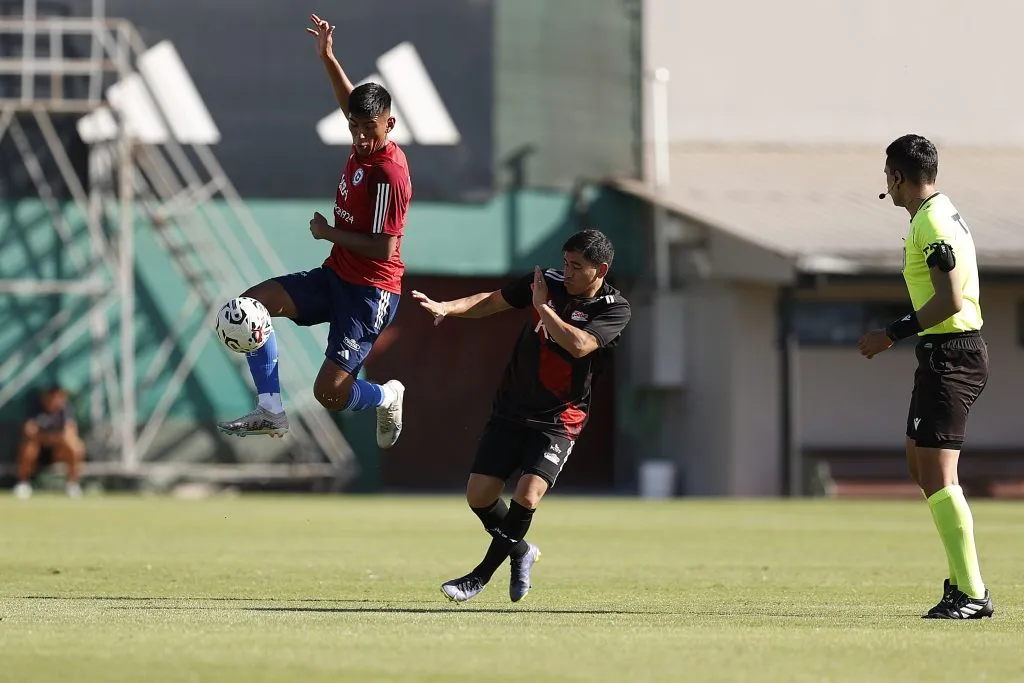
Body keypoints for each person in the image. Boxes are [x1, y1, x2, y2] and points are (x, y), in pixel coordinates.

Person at [218, 14, 409, 449]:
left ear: (390, 125)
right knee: (252, 306)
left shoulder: (389, 174)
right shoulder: (363, 133)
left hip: (370, 291)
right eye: (354, 127)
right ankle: (271, 410)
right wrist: (328, 57)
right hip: (337, 275)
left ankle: (386, 395)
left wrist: (328, 233)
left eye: (369, 128)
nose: (360, 137)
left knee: (330, 394)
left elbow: (384, 247)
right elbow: (351, 102)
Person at [412, 229, 631, 602]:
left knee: (528, 496)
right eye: (565, 262)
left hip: (559, 418)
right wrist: (449, 307)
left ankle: (478, 577)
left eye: (577, 266)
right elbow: (491, 301)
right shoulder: (548, 282)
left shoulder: (614, 308)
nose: (568, 271)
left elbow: (580, 346)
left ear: (601, 270)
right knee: (479, 497)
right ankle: (521, 550)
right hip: (512, 408)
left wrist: (543, 308)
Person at [858, 134, 992, 619]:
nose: (886, 185)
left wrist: (890, 335)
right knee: (920, 467)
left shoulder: (932, 221)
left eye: (886, 176)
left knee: (938, 475)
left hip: (953, 354)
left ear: (896, 175)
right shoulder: (939, 210)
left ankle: (972, 593)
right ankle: (962, 585)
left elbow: (950, 300)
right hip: (941, 353)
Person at [14, 385, 85, 499]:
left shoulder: (66, 410)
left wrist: (48, 438)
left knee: (76, 447)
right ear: (46, 397)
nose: (56, 400)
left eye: (59, 397)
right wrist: (51, 438)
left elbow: (70, 433)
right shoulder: (35, 409)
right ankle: (23, 484)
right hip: (39, 450)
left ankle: (73, 485)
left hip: (57, 451)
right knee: (28, 448)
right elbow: (29, 431)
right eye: (53, 397)